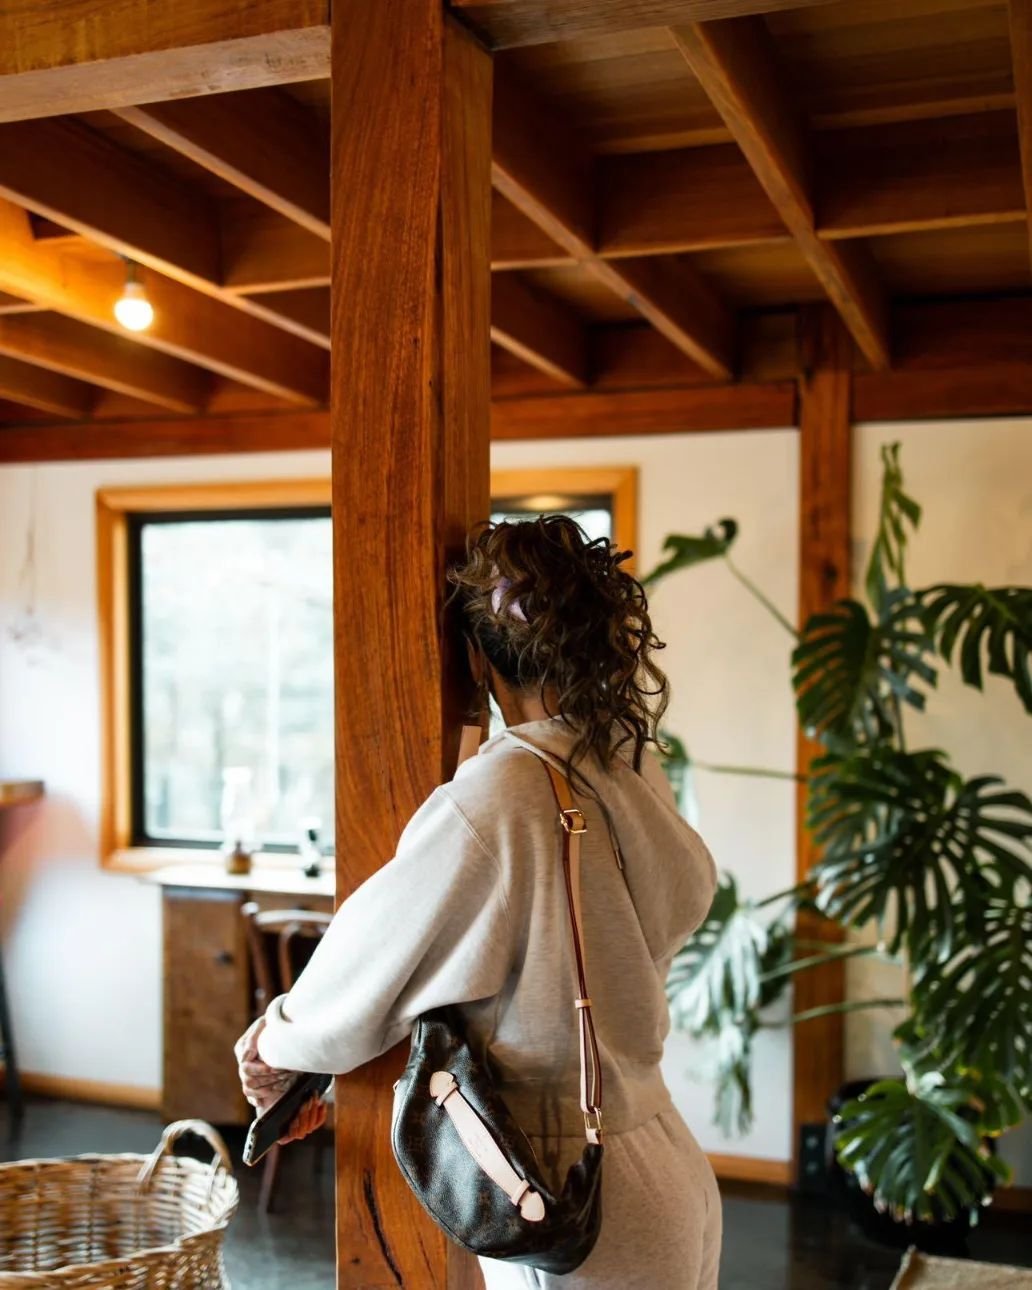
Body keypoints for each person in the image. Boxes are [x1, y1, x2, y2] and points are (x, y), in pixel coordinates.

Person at [235, 516, 721, 1288]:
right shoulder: (625, 766)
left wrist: (274, 1044)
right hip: (664, 1157)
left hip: (563, 1185)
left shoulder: (501, 796)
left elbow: (368, 968)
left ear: (474, 658)